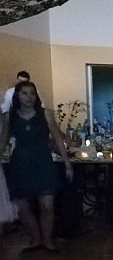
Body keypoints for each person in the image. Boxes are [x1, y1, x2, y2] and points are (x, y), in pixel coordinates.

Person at [0, 81, 72, 251]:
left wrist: (67, 163)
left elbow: (57, 138)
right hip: (20, 164)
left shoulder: (45, 114)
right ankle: (36, 239)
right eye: (24, 93)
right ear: (17, 96)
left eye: (32, 93)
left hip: (43, 162)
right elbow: (3, 140)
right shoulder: (10, 116)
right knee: (23, 208)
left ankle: (47, 241)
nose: (29, 97)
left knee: (47, 206)